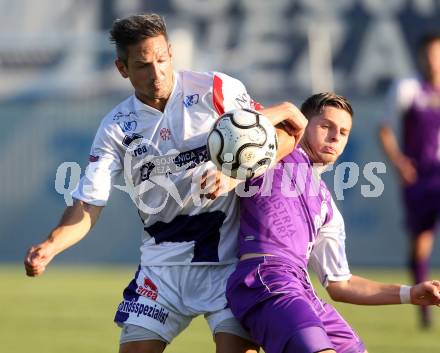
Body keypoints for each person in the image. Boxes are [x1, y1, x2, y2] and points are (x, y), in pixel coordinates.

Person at [23, 13, 307, 353]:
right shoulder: (116, 128)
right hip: (162, 270)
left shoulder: (215, 90)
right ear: (122, 68)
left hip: (228, 265)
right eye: (143, 65)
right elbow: (88, 204)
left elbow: (282, 136)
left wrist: (233, 175)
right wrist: (51, 246)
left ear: (171, 52)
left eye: (161, 60)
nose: (156, 73)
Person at [226, 92, 440, 353]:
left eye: (344, 132)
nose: (335, 136)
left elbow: (342, 284)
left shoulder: (326, 206)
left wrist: (410, 293)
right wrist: (285, 111)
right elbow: (236, 130)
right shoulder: (275, 152)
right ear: (302, 125)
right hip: (265, 278)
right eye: (326, 126)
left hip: (302, 289)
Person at [378, 33, 440, 328]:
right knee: (420, 244)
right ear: (420, 56)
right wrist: (399, 162)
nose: (433, 59)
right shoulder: (408, 88)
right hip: (420, 178)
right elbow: (385, 128)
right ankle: (425, 311)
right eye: (428, 53)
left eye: (437, 53)